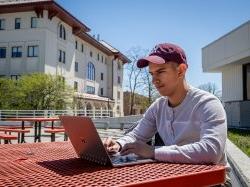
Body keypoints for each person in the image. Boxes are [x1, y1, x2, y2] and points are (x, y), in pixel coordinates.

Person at [103, 43, 231, 186]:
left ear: (181, 71)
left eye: (161, 71)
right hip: (177, 176)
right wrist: (118, 144)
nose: (154, 80)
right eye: (152, 74)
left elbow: (211, 151)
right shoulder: (158, 106)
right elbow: (137, 135)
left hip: (213, 181)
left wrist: (153, 152)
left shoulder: (207, 103)